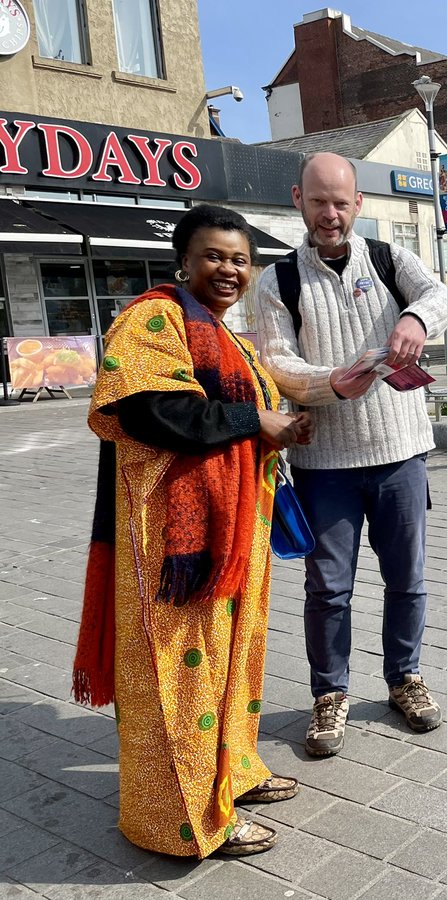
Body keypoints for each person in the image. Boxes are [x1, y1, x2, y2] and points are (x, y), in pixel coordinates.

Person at [71, 204, 313, 859]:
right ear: (184, 259)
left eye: (239, 259)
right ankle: (183, 820)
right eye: (213, 256)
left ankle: (230, 773)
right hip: (170, 543)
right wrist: (253, 421)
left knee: (231, 664)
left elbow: (237, 411)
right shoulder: (155, 318)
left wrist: (278, 425)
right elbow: (155, 412)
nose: (228, 269)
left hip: (230, 535)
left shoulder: (224, 332)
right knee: (178, 675)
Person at [254, 152, 447, 758]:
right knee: (328, 589)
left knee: (407, 579)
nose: (330, 213)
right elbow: (276, 362)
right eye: (319, 201)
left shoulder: (391, 259)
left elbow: (440, 295)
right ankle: (329, 694)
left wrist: (418, 318)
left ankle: (404, 678)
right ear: (298, 200)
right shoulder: (278, 281)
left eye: (341, 202)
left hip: (400, 454)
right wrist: (329, 384)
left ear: (358, 204)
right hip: (325, 468)